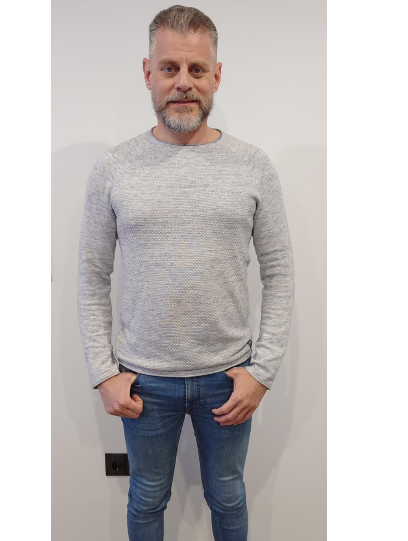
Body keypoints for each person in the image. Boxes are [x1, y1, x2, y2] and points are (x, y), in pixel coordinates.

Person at [77, 5, 295, 541]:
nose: (183, 83)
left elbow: (280, 273)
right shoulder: (114, 168)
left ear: (216, 75)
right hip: (143, 380)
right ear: (147, 72)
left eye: (197, 70)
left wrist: (262, 371)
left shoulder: (253, 166)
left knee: (229, 494)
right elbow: (92, 276)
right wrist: (104, 373)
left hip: (229, 377)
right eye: (169, 68)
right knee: (147, 497)